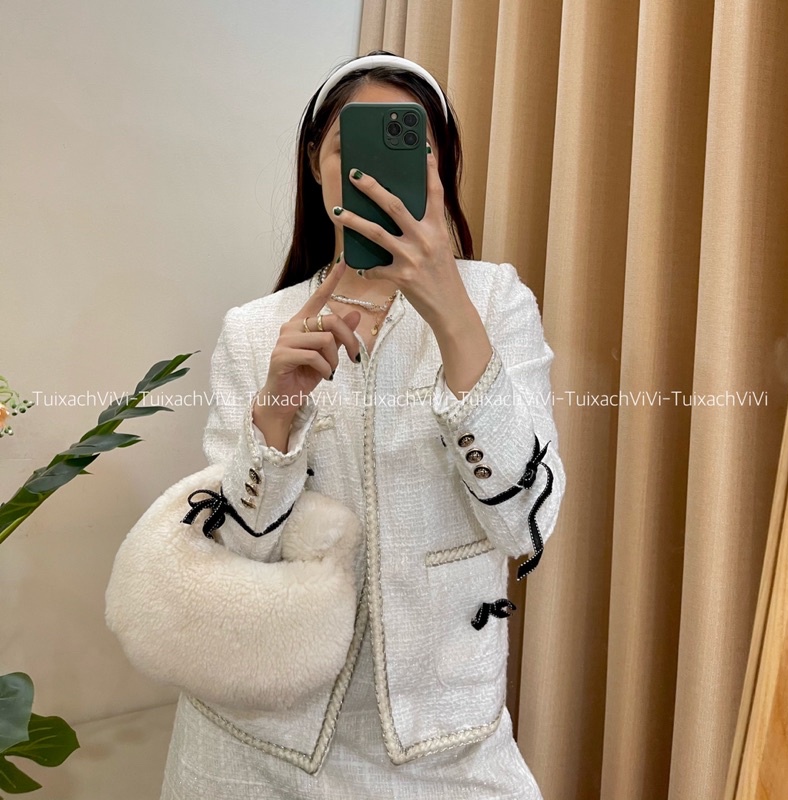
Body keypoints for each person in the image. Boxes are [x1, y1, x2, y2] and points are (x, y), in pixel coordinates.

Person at [159, 50, 566, 800]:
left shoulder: (496, 301)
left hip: (442, 730)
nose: (373, 173)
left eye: (408, 145)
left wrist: (452, 313)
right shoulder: (257, 330)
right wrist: (277, 414)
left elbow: (526, 526)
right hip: (261, 735)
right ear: (317, 165)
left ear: (441, 166)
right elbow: (236, 549)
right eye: (349, 148)